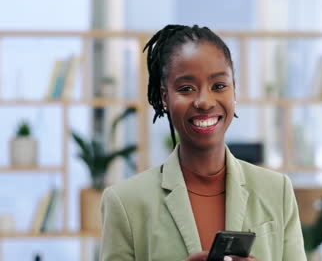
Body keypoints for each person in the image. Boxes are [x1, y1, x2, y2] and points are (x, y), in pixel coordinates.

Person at [99, 24, 307, 261]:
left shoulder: (277, 190)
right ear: (165, 97)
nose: (205, 101)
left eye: (219, 86)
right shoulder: (125, 202)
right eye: (186, 88)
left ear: (234, 91)